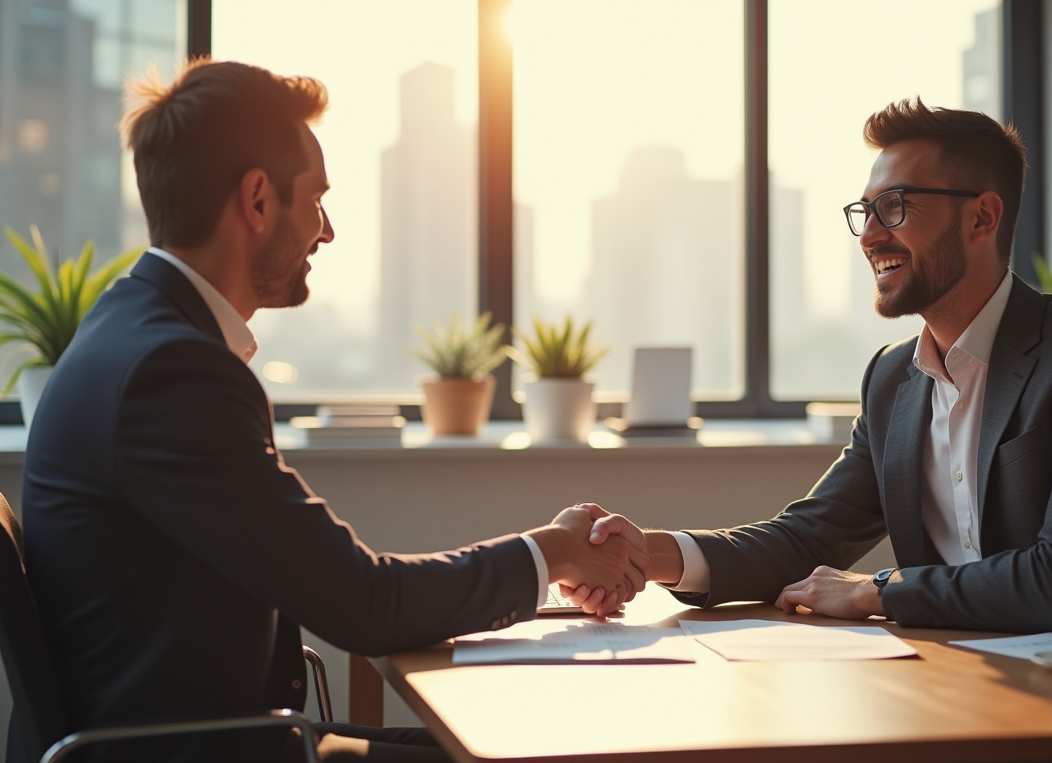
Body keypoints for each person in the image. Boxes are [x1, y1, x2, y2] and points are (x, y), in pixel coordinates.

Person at [18, 59, 646, 763]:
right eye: (315, 199)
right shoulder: (172, 373)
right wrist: (557, 552)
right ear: (258, 202)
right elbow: (364, 604)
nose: (328, 231)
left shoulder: (130, 330)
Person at [569, 98, 1052, 635]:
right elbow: (803, 540)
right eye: (866, 211)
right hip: (942, 678)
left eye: (895, 206)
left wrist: (877, 590)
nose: (869, 235)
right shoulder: (892, 380)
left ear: (982, 218)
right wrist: (642, 553)